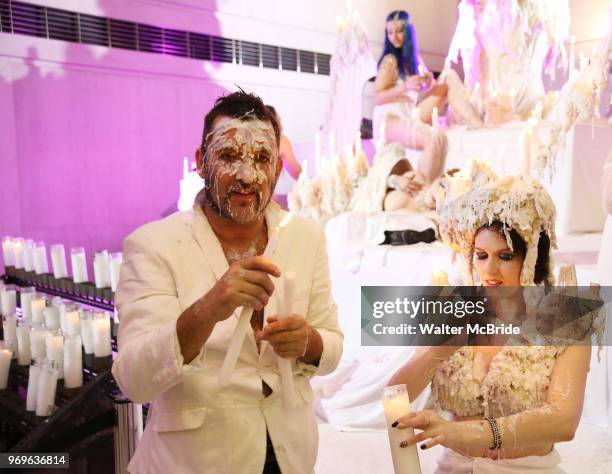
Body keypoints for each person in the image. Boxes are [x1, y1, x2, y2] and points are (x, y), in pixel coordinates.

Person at [112, 90, 343, 474]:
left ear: (279, 169)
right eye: (230, 155)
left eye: (262, 158)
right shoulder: (154, 244)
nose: (247, 176)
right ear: (201, 162)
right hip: (197, 460)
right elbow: (134, 378)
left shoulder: (306, 236)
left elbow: (332, 343)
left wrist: (308, 342)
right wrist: (210, 307)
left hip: (289, 454)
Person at [389, 163, 593, 473]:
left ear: (530, 260)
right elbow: (394, 397)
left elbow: (564, 421)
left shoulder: (568, 316)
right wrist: (438, 349)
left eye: (506, 256)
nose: (489, 271)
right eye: (481, 256)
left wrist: (460, 432)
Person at [372, 11, 482, 196]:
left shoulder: (413, 61)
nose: (394, 37)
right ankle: (425, 192)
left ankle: (477, 123)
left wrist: (427, 82)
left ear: (408, 32)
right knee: (434, 138)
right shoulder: (390, 61)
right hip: (390, 119)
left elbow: (428, 85)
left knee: (448, 76)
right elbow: (377, 97)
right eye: (389, 32)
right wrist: (405, 86)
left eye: (399, 31)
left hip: (410, 112)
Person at [266, 105, 302, 209]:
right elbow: (296, 172)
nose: (281, 122)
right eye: (278, 118)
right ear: (274, 120)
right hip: (268, 198)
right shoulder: (281, 141)